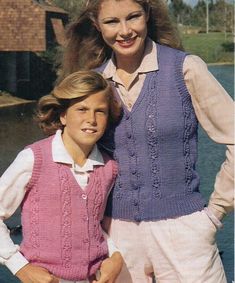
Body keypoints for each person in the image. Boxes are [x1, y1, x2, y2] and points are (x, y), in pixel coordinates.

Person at [58, 0, 234, 282]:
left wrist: (215, 213)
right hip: (117, 238)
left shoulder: (184, 69)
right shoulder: (95, 83)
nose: (125, 30)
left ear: (148, 15)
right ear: (96, 25)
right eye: (112, 22)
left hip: (184, 232)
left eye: (133, 17)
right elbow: (72, 162)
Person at [0, 70, 123, 283]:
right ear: (63, 115)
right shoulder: (34, 159)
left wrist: (115, 255)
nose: (91, 119)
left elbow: (95, 225)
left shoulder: (108, 168)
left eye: (100, 111)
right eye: (82, 109)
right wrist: (19, 266)